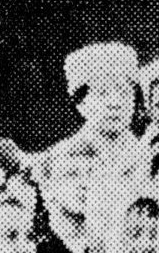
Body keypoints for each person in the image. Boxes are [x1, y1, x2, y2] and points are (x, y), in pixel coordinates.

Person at [46, 42, 144, 184]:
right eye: (102, 94)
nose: (115, 103)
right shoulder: (61, 158)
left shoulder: (149, 153)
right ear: (81, 103)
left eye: (124, 93)